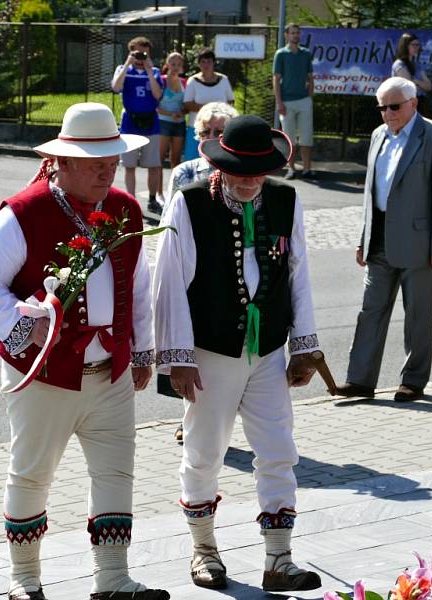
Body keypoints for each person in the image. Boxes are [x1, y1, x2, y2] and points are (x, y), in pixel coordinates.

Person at [0, 102, 169, 600]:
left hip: (111, 371)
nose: (109, 169)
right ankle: (25, 580)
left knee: (116, 471)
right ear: (64, 162)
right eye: (97, 160)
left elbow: (138, 286)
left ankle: (113, 580)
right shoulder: (25, 212)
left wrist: (141, 351)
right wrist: (27, 329)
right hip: (45, 373)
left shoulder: (123, 208)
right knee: (32, 472)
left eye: (114, 159)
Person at [154, 114, 323, 592]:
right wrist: (177, 358)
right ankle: (204, 551)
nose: (249, 180)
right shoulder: (189, 205)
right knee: (204, 452)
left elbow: (299, 273)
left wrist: (304, 346)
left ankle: (279, 559)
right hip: (210, 352)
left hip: (267, 348)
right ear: (221, 165)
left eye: (258, 171)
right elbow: (168, 282)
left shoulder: (286, 200)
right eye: (240, 170)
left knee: (277, 449)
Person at [336, 77, 432, 403]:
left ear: (413, 103)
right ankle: (360, 380)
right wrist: (364, 237)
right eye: (382, 108)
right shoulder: (378, 135)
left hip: (420, 244)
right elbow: (370, 192)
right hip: (379, 240)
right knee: (370, 311)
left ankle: (413, 381)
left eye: (394, 106)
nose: (387, 113)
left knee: (418, 315)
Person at [160, 100, 239, 444]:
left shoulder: (241, 171)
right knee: (187, 344)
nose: (211, 137)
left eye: (219, 132)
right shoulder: (185, 171)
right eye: (205, 132)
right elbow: (169, 223)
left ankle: (222, 415)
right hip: (191, 269)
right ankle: (189, 417)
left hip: (227, 270)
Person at [111, 36, 164, 215]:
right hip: (130, 122)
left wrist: (149, 70)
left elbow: (157, 95)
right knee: (129, 165)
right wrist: (128, 63)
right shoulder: (123, 70)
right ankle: (131, 200)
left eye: (144, 53)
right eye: (138, 52)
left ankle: (151, 199)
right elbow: (116, 87)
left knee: (153, 165)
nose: (141, 57)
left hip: (150, 122)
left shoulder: (155, 71)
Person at [273, 23, 316, 180]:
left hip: (304, 100)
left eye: (297, 33)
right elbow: (276, 80)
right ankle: (291, 169)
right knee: (289, 138)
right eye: (292, 33)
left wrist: (309, 97)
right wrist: (279, 102)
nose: (295, 36)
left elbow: (311, 77)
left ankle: (307, 169)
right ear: (286, 35)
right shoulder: (281, 54)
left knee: (306, 137)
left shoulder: (306, 53)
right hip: (286, 101)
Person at [182, 47, 235, 162]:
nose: (206, 65)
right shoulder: (192, 81)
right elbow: (187, 104)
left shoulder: (223, 79)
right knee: (192, 161)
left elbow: (230, 101)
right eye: (203, 62)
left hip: (220, 130)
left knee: (219, 161)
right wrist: (210, 109)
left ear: (214, 63)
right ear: (199, 64)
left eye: (209, 61)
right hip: (197, 128)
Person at [156, 51, 187, 203]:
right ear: (167, 65)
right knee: (159, 160)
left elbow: (186, 104)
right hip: (163, 122)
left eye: (179, 64)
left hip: (179, 124)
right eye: (173, 64)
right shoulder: (161, 80)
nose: (175, 67)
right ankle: (159, 193)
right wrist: (170, 113)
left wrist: (181, 112)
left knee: (175, 160)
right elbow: (155, 105)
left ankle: (173, 191)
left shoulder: (184, 82)